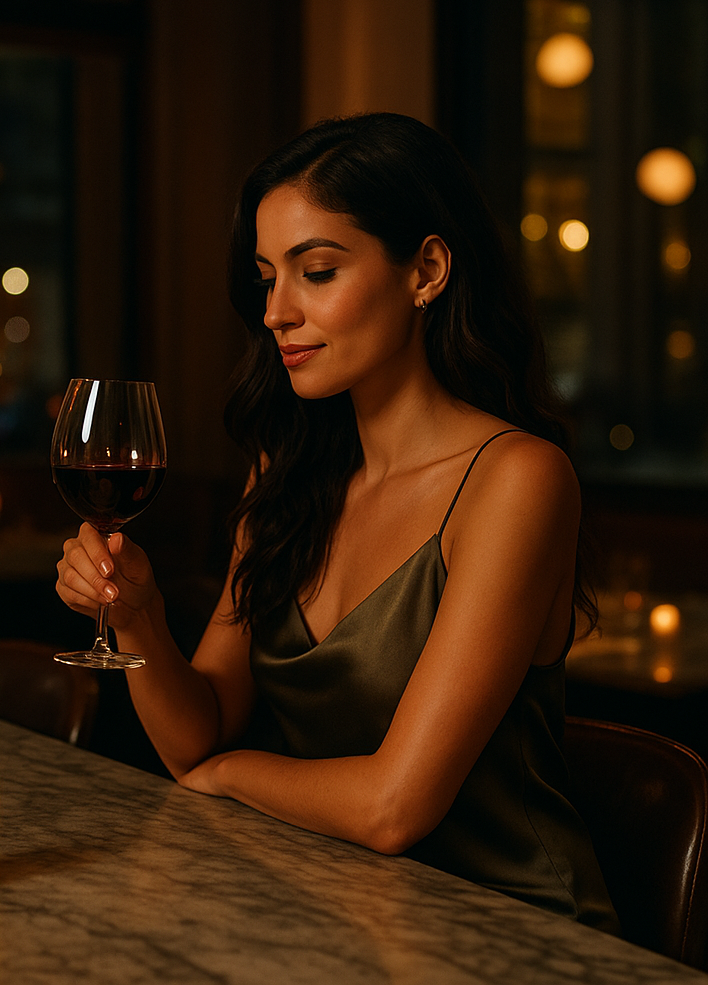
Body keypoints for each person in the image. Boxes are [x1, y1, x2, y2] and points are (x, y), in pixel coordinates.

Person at [55, 112, 620, 932]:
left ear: (426, 269)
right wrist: (136, 613)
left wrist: (232, 774)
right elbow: (194, 739)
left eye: (316, 271)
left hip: (513, 932)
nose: (276, 311)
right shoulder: (289, 475)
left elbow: (394, 808)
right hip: (343, 916)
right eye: (266, 278)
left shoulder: (517, 479)